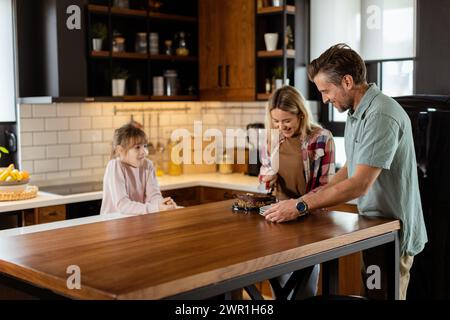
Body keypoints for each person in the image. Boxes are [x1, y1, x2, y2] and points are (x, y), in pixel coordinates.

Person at [263, 44, 428, 300]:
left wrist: (300, 205)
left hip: (392, 231)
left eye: (326, 90)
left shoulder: (380, 115)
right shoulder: (357, 114)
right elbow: (350, 169)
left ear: (347, 81)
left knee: (382, 295)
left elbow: (359, 184)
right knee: (374, 293)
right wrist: (309, 200)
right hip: (375, 228)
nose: (325, 99)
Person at [259, 85, 336, 299]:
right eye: (276, 121)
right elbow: (263, 178)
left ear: (300, 115)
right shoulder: (270, 139)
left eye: (286, 121)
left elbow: (325, 187)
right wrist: (268, 178)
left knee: (305, 290)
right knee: (279, 289)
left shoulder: (321, 138)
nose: (280, 126)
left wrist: (299, 207)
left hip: (310, 219)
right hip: (278, 219)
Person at [100, 121, 177, 215]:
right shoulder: (115, 166)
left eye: (144, 146)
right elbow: (123, 205)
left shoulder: (147, 165)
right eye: (137, 147)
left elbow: (153, 195)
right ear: (120, 150)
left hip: (136, 221)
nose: (143, 152)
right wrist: (156, 208)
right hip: (113, 223)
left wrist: (162, 204)